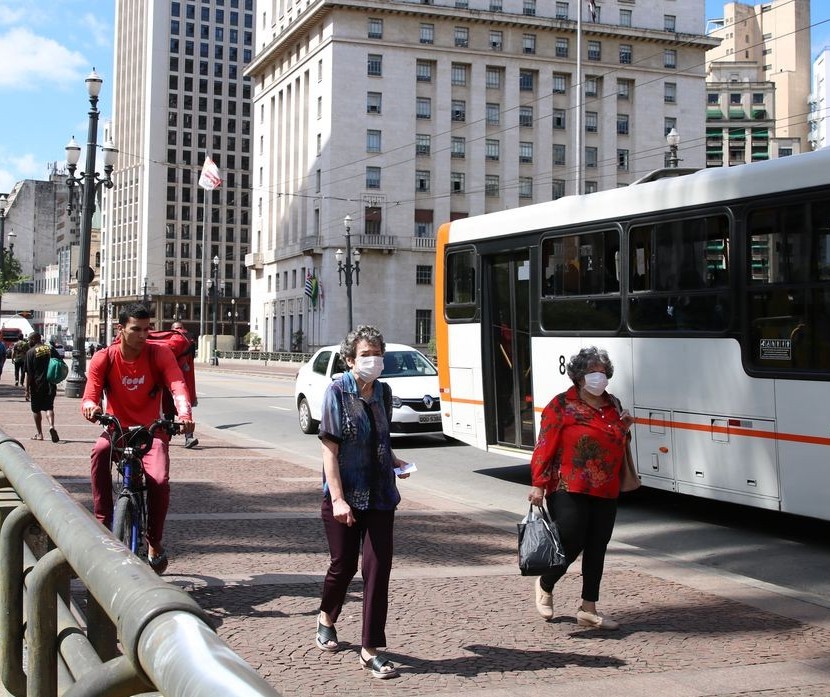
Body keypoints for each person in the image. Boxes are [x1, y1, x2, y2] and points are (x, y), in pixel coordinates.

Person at [315, 325, 410, 680]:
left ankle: (370, 649)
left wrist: (395, 461)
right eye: (366, 354)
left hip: (382, 495)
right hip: (346, 495)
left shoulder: (383, 392)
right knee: (343, 567)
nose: (374, 360)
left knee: (377, 569)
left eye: (377, 354)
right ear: (351, 359)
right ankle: (326, 616)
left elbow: (379, 437)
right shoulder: (337, 392)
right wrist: (337, 499)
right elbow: (330, 450)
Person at [81, 303, 195, 574]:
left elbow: (177, 384)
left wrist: (184, 414)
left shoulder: (160, 354)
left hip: (151, 432)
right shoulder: (104, 357)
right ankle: (103, 522)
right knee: (99, 452)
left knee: (158, 479)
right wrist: (90, 405)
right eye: (136, 329)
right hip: (116, 431)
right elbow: (91, 392)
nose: (144, 335)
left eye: (147, 329)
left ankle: (154, 541)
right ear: (120, 330)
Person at [527, 346, 633, 631]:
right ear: (579, 376)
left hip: (605, 486)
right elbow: (544, 445)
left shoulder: (613, 404)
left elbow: (617, 441)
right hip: (567, 484)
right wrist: (538, 483)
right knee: (571, 539)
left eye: (602, 371)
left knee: (598, 545)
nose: (599, 376)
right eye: (592, 372)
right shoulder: (561, 405)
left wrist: (625, 428)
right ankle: (546, 582)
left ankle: (588, 607)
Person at [23, 333, 60, 442]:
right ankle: (51, 426)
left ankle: (39, 434)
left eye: (29, 339)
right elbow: (59, 363)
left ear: (34, 339)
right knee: (49, 407)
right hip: (50, 383)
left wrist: (27, 390)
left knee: (36, 409)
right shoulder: (50, 349)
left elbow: (29, 374)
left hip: (37, 385)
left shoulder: (30, 352)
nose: (29, 341)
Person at [169, 321, 199, 448]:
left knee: (185, 410)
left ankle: (189, 437)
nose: (179, 331)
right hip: (170, 382)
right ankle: (166, 436)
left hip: (182, 383)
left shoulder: (188, 342)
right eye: (177, 329)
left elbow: (190, 368)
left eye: (181, 328)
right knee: (169, 411)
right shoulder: (171, 343)